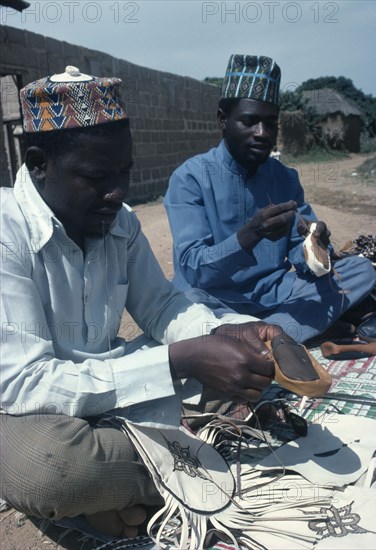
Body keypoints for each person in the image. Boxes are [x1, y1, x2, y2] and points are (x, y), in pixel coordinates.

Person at [0, 65, 284, 539]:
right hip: (23, 404)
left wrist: (218, 335)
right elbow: (26, 382)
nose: (117, 192)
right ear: (37, 163)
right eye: (96, 177)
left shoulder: (120, 221)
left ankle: (129, 489)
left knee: (247, 369)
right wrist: (177, 362)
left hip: (105, 385)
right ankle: (180, 467)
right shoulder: (7, 232)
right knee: (54, 470)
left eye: (125, 173)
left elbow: (160, 306)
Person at [164, 54, 376, 344]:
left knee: (359, 270)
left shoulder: (284, 178)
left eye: (270, 123)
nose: (262, 134)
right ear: (223, 120)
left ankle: (256, 337)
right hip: (212, 299)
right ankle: (280, 333)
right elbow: (194, 268)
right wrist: (250, 235)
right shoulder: (189, 178)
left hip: (275, 293)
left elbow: (302, 260)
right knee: (183, 304)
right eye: (249, 122)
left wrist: (315, 246)